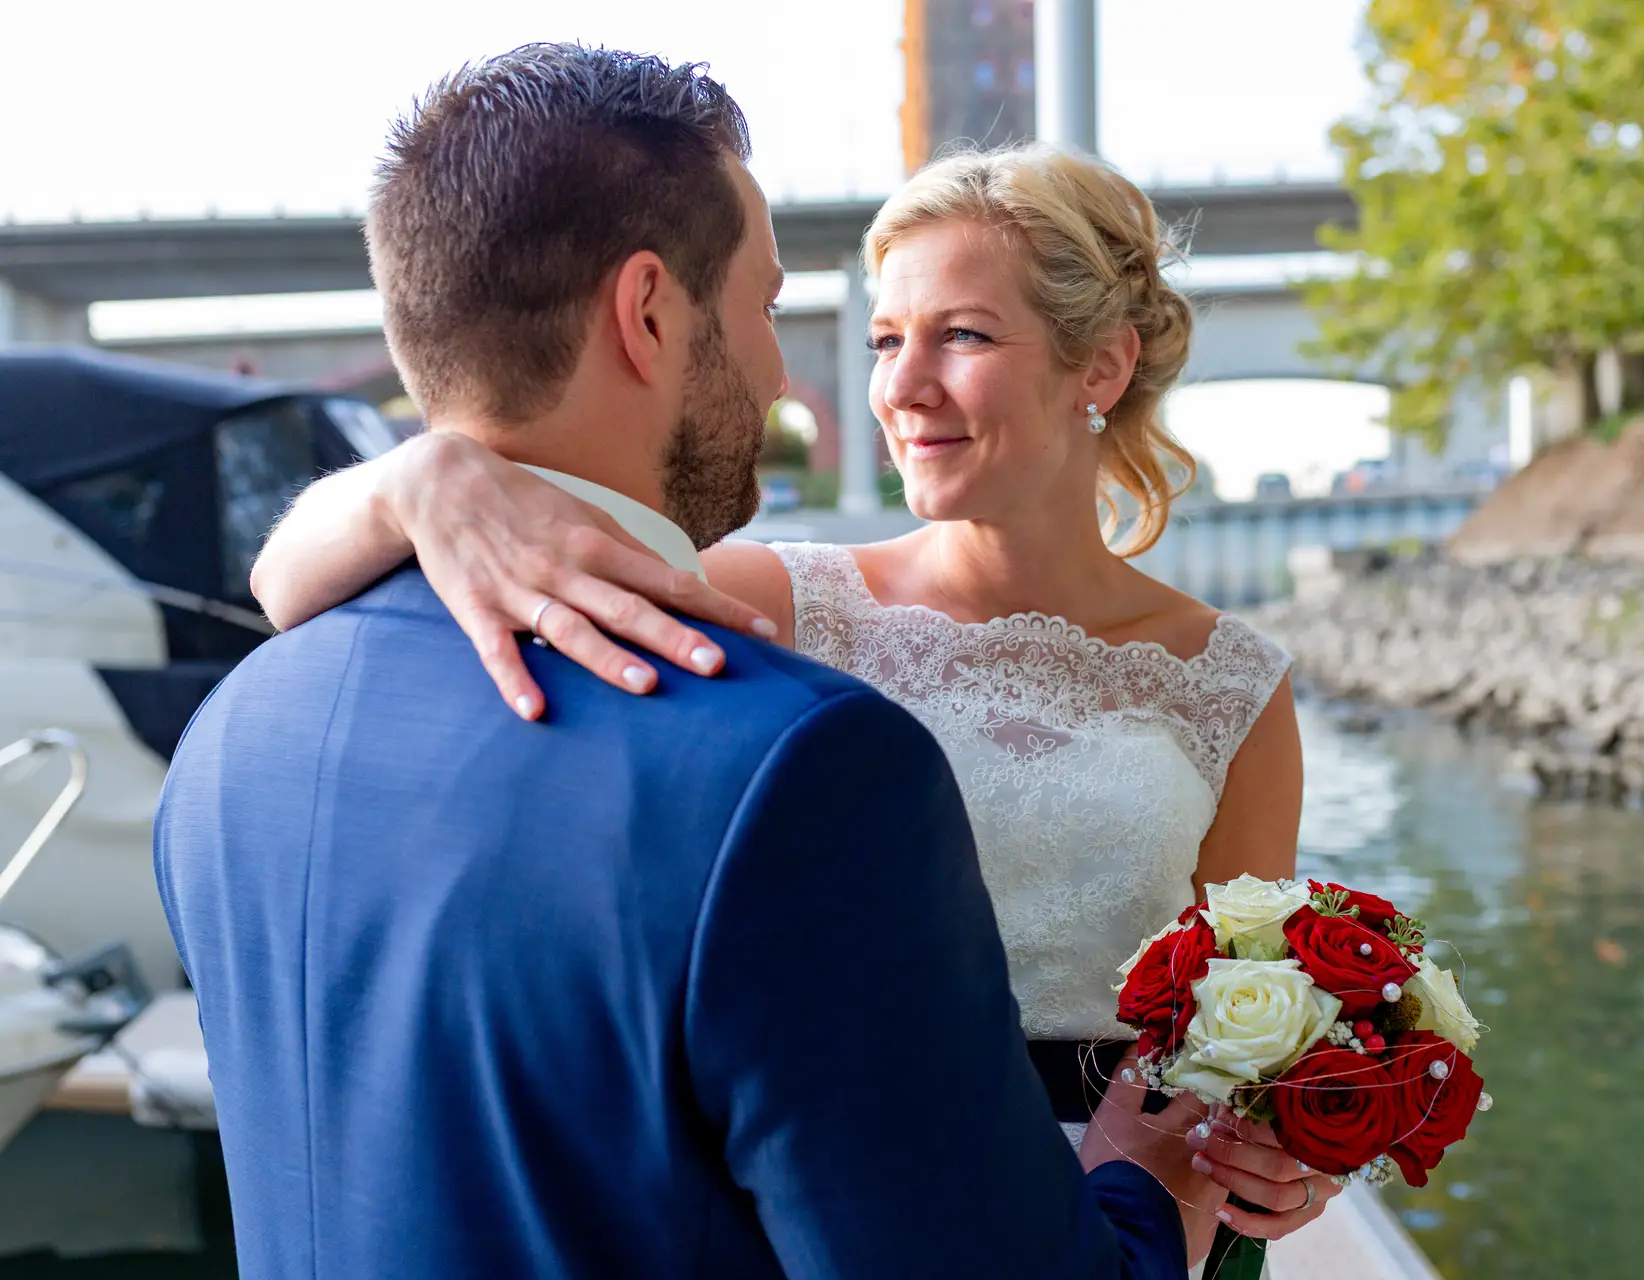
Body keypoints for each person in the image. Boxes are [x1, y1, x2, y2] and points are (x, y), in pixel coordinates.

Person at [161, 45, 1333, 1277]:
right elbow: (301, 584)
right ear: (654, 311)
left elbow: (1236, 1034)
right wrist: (418, 477)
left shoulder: (232, 734)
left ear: (1101, 365)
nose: (890, 386)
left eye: (965, 335)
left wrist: (1280, 1139)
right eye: (881, 338)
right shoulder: (742, 610)